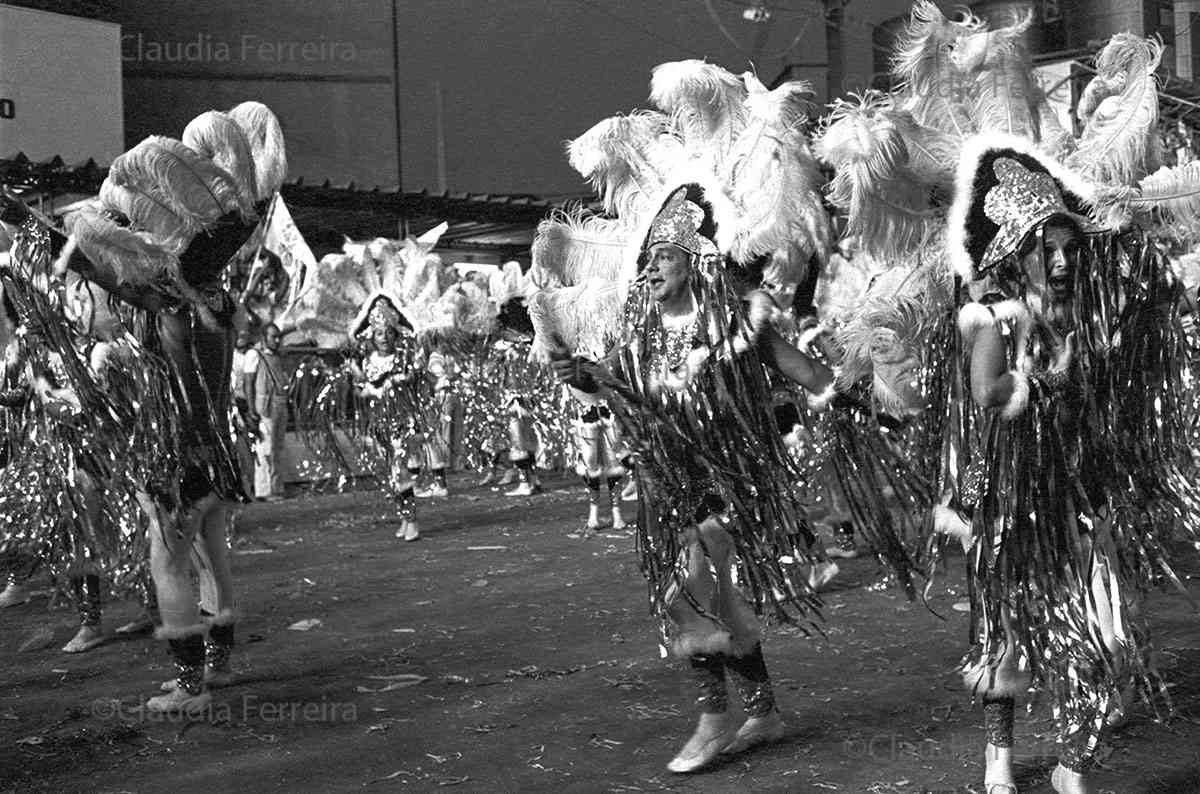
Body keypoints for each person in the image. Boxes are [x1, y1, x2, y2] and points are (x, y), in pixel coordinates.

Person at [550, 185, 837, 774]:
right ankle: (762, 710)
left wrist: (864, 379)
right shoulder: (642, 337)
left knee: (685, 592)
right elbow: (620, 389)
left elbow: (811, 374)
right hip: (666, 487)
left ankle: (713, 716)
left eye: (664, 256)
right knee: (716, 597)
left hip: (728, 484)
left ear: (696, 262)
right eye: (649, 258)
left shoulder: (737, 329)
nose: (650, 267)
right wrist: (583, 374)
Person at [244, 323, 290, 502]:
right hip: (264, 408)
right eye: (273, 337)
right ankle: (264, 490)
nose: (277, 340)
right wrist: (251, 410)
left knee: (277, 448)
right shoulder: (254, 355)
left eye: (278, 337)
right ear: (264, 337)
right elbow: (248, 383)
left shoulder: (277, 357)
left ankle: (277, 488)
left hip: (279, 405)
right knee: (266, 449)